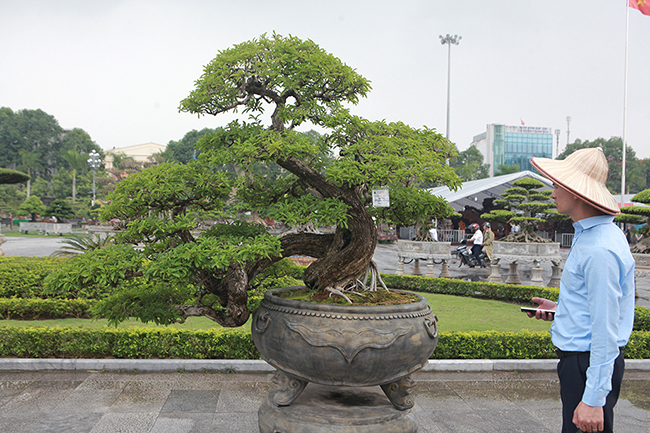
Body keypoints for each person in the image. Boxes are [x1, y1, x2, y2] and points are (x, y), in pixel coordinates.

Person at [526, 147, 635, 433]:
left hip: (587, 364)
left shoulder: (599, 249)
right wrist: (563, 311)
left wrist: (594, 398)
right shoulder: (593, 236)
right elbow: (597, 307)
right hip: (581, 362)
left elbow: (606, 329)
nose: (552, 192)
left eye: (556, 185)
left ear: (575, 191)